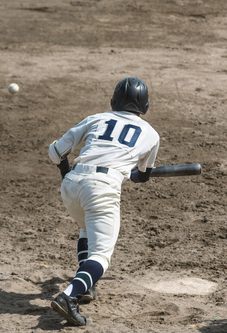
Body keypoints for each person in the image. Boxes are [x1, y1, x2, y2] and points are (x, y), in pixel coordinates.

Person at [47, 77, 160, 326]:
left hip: (71, 185)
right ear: (146, 107)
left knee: (87, 226)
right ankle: (70, 296)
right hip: (102, 189)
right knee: (101, 255)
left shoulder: (96, 118)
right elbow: (142, 176)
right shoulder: (151, 134)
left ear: (113, 102)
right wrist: (131, 173)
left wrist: (66, 171)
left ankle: (86, 285)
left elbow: (55, 151)